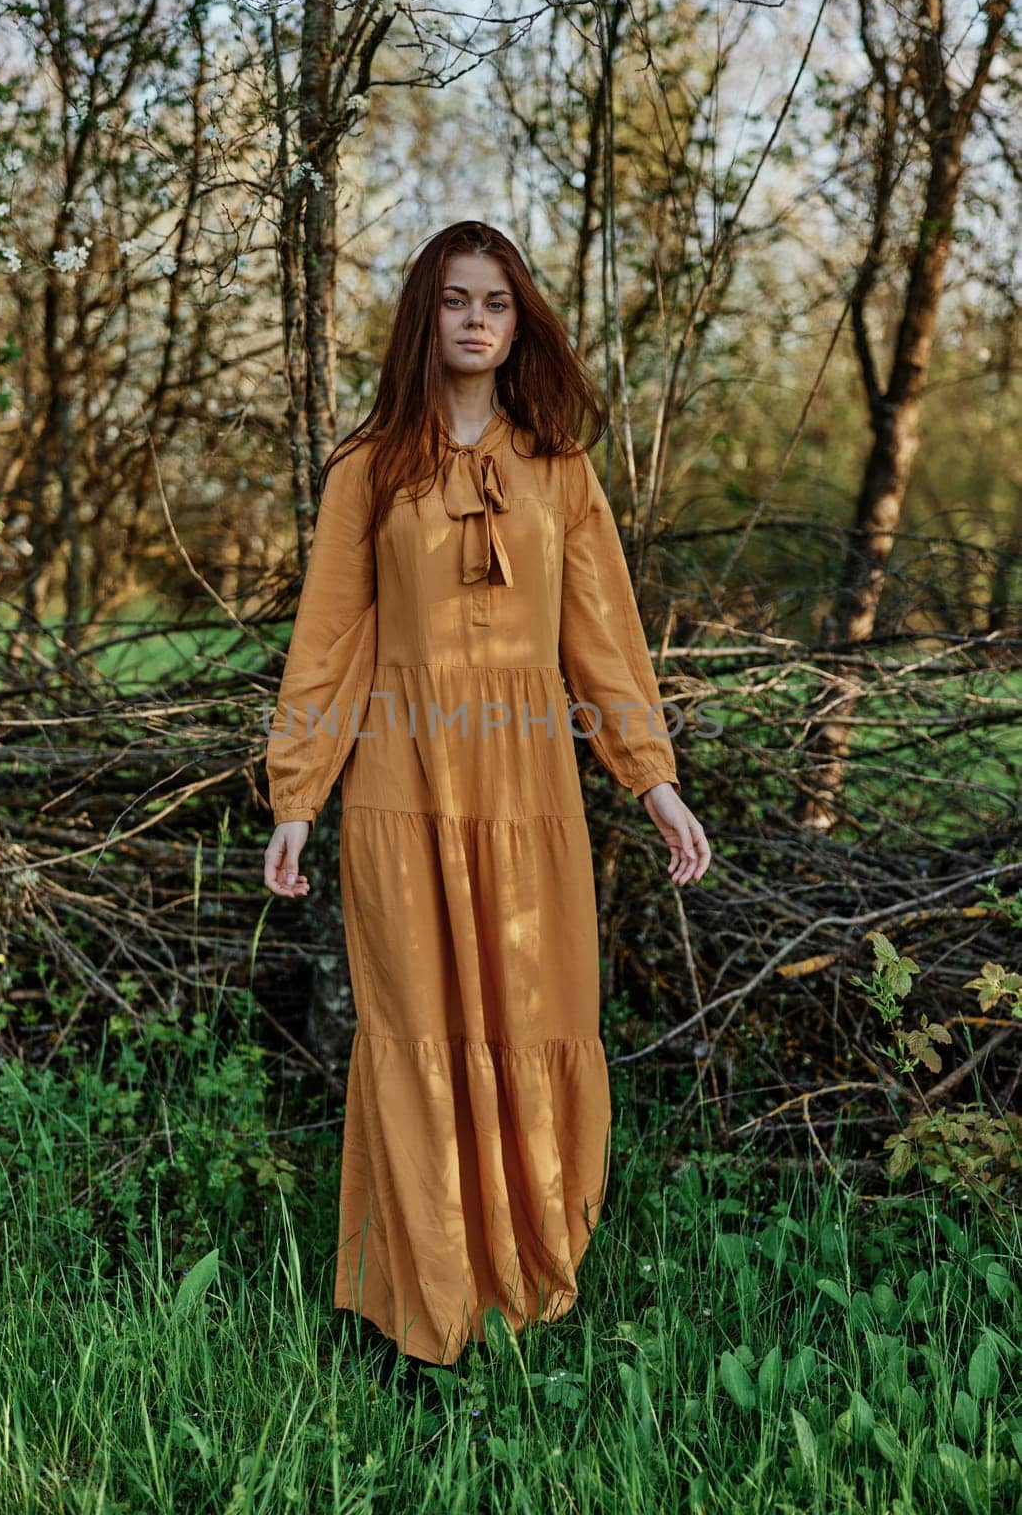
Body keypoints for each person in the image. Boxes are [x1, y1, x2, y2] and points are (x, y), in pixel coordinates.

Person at [262, 220, 711, 1373]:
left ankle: (521, 1286)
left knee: (532, 1009)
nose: (475, 320)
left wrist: (650, 779)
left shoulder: (557, 469)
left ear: (520, 323)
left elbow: (602, 638)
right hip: (401, 777)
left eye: (497, 303)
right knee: (415, 1025)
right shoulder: (368, 468)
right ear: (427, 316)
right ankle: (421, 1302)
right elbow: (327, 641)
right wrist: (297, 794)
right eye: (456, 300)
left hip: (526, 777)